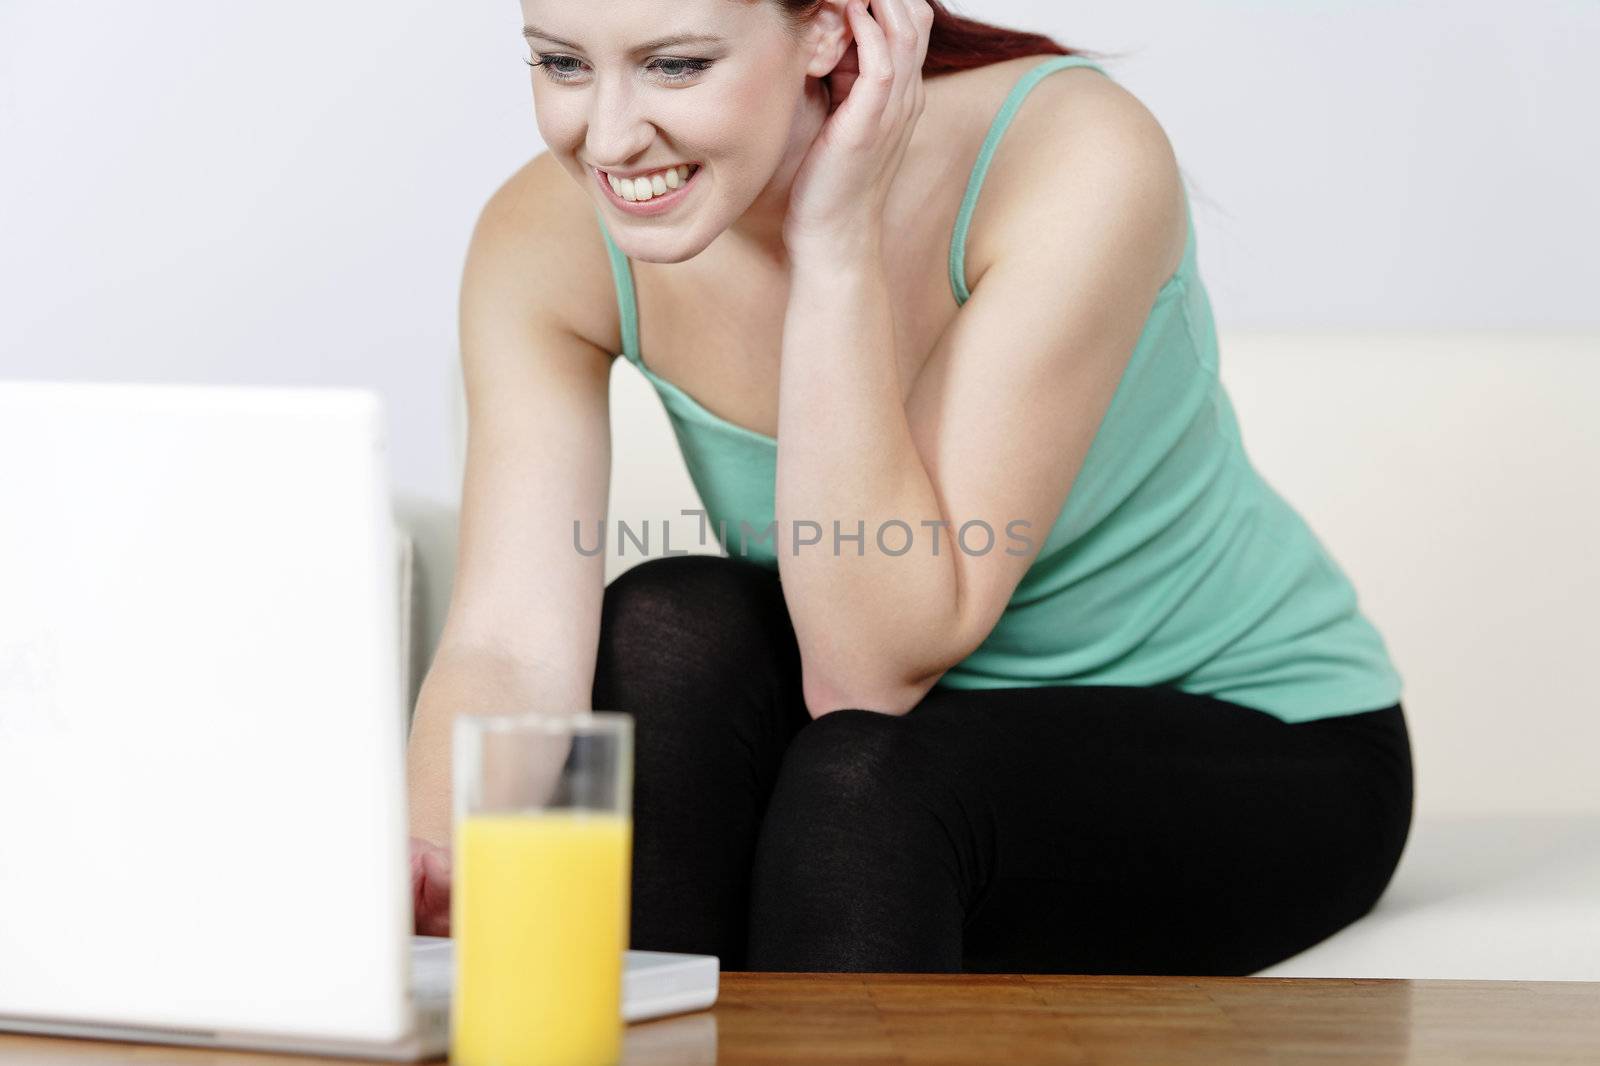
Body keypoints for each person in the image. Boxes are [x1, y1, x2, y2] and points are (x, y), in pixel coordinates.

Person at [405, 0, 1414, 975]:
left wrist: (834, 245)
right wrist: (438, 858)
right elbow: (505, 647)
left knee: (867, 792)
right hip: (877, 741)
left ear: (832, 28)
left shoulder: (1069, 153)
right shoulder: (547, 231)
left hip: (1242, 733)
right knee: (667, 623)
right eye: (563, 63)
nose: (611, 138)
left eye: (676, 65)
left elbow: (866, 674)